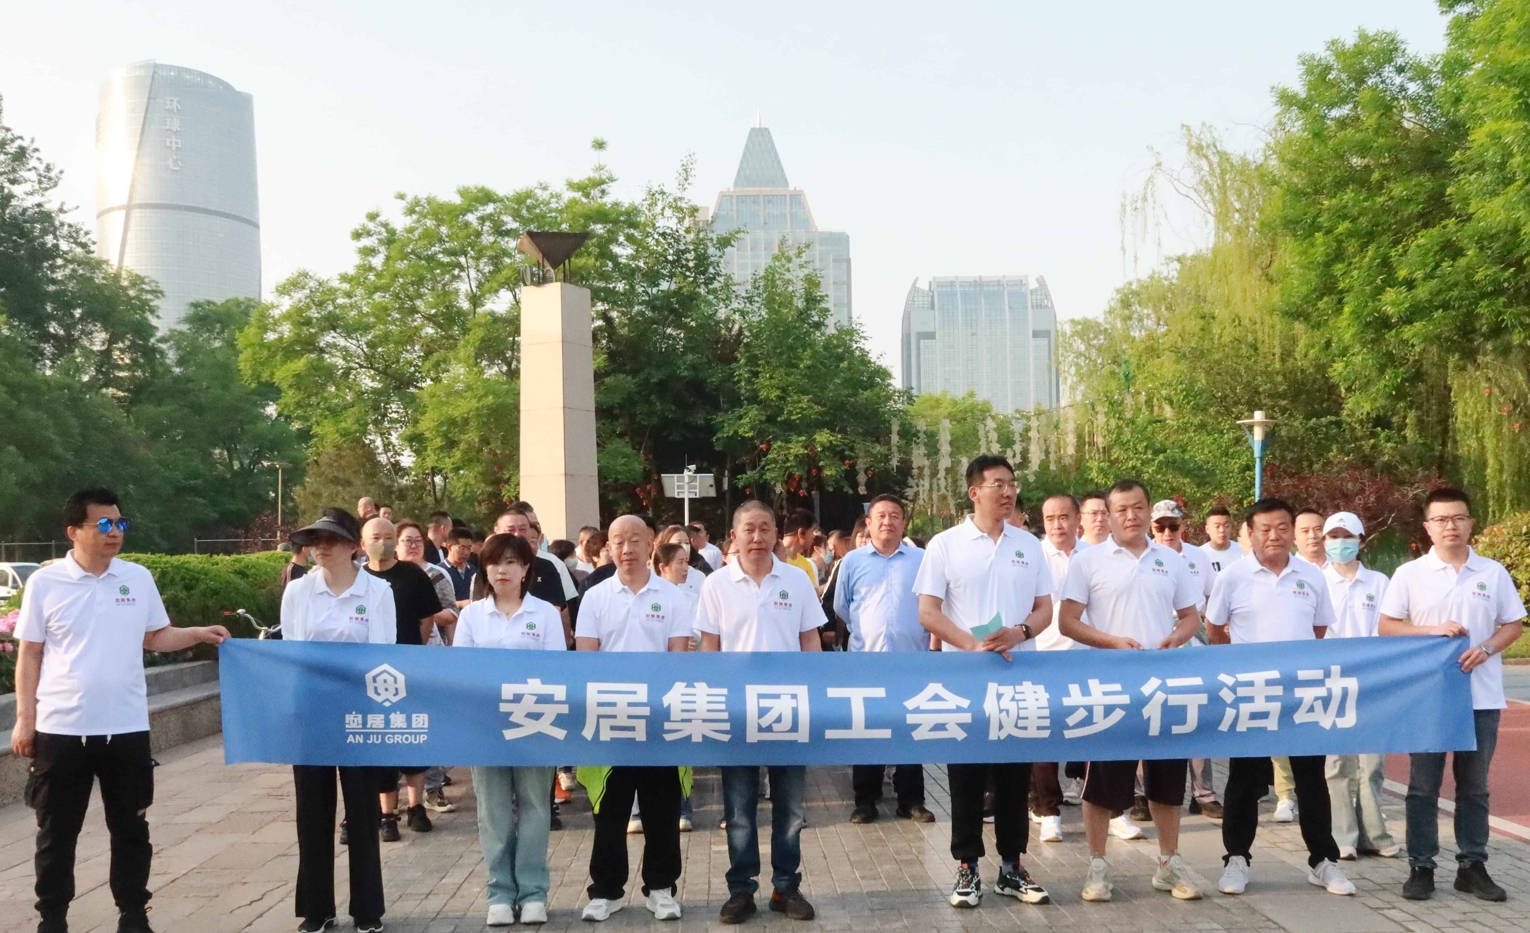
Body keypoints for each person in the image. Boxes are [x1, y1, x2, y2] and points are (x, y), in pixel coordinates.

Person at [11, 487, 232, 933]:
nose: (115, 532)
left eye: (120, 523)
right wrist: (25, 719)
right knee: (57, 832)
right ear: (74, 531)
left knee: (131, 829)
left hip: (126, 728)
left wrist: (196, 633)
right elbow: (30, 654)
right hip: (62, 729)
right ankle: (52, 918)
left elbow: (155, 636)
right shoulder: (46, 584)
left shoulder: (137, 578)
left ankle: (133, 914)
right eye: (104, 524)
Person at [914, 455, 1053, 909]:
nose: (1008, 492)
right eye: (998, 484)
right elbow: (928, 611)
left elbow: (1045, 609)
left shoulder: (1029, 544)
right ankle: (967, 868)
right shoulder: (945, 545)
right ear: (975, 492)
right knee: (966, 777)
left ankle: (1012, 867)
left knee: (1015, 777)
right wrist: (971, 645)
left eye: (1012, 484)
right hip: (964, 681)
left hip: (1018, 677)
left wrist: (1020, 632)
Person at [1057, 479, 1204, 903]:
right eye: (1121, 509)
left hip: (1163, 686)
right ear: (1107, 515)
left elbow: (1191, 616)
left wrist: (1178, 637)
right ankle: (1098, 867)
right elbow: (1068, 622)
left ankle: (1169, 863)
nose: (1131, 516)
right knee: (1103, 781)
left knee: (1167, 780)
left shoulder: (1170, 560)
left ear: (1148, 510)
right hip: (1110, 686)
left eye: (1138, 507)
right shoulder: (1088, 561)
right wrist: (1111, 642)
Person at [1380, 487, 1525, 902]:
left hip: (1480, 697)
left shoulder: (1491, 572)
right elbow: (1387, 626)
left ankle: (1472, 864)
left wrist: (1487, 648)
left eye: (1458, 518)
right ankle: (1421, 865)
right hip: (1427, 696)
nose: (1451, 526)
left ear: (1470, 523)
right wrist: (1432, 630)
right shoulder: (1410, 574)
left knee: (1474, 787)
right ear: (1427, 527)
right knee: (1423, 786)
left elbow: (1513, 624)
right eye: (1441, 519)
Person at [1206, 498, 1354, 898]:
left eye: (1283, 528)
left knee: (1311, 779)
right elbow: (1214, 629)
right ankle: (1237, 858)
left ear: (1293, 532)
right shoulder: (1233, 576)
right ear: (1250, 533)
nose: (1275, 535)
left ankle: (1323, 860)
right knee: (1243, 778)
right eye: (1265, 529)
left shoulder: (1312, 575)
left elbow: (1318, 629)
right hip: (1251, 692)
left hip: (1301, 693)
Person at [695, 501, 823, 924]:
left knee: (791, 809)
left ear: (775, 534)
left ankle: (786, 887)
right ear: (734, 536)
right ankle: (741, 890)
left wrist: (815, 697)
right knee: (739, 809)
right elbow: (709, 648)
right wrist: (713, 703)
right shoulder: (716, 584)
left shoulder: (797, 580)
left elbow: (810, 642)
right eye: (749, 529)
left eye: (765, 528)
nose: (757, 537)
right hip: (736, 712)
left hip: (789, 709)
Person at [279, 507, 394, 933]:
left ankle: (367, 909)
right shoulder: (298, 591)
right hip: (311, 712)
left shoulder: (378, 591)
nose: (321, 548)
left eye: (331, 540)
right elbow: (293, 650)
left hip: (361, 710)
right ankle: (317, 909)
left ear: (353, 546)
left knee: (363, 810)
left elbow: (383, 652)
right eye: (315, 541)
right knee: (312, 810)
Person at [574, 516, 692, 922]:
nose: (626, 549)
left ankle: (661, 889)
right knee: (610, 812)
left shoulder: (673, 597)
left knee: (662, 811)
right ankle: (606, 891)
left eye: (635, 540)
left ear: (650, 543)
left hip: (659, 720)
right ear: (607, 547)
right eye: (618, 541)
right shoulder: (595, 597)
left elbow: (678, 658)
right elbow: (587, 659)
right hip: (611, 718)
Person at [454, 533, 562, 926]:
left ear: (526, 569)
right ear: (485, 569)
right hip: (486, 727)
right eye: (495, 562)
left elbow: (555, 670)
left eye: (512, 562)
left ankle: (533, 892)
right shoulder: (472, 616)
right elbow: (463, 673)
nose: (503, 569)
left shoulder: (545, 614)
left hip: (535, 723)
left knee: (535, 807)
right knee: (493, 811)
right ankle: (500, 892)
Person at [833, 495, 932, 824]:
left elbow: (932, 605)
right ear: (869, 523)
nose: (887, 521)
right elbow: (842, 606)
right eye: (881, 516)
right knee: (867, 730)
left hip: (911, 661)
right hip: (867, 662)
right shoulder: (852, 561)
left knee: (911, 729)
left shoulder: (921, 560)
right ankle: (865, 801)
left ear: (904, 523)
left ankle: (911, 800)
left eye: (894, 516)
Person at [360, 517, 450, 840]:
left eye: (388, 536)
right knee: (380, 742)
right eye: (375, 537)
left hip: (408, 669)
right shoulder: (358, 580)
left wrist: (413, 652)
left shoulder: (413, 575)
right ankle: (387, 813)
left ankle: (416, 807)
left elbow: (427, 618)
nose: (382, 542)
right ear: (362, 544)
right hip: (369, 674)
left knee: (412, 736)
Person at [1319, 511, 1398, 861]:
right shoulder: (1317, 581)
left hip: (1372, 682)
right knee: (1338, 763)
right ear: (1324, 542)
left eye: (1347, 536)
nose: (1340, 543)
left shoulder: (1379, 583)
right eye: (1333, 537)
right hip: (1332, 681)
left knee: (1372, 763)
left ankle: (1375, 834)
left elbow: (1388, 628)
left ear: (1361, 541)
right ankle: (1343, 835)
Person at [1148, 500, 1225, 822]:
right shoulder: (1143, 557)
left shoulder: (1199, 557)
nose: (1167, 532)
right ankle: (1142, 793)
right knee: (1150, 717)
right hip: (1154, 646)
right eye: (1160, 526)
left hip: (1192, 646)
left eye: (1173, 526)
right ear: (1152, 528)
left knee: (1196, 716)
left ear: (1183, 526)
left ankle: (1203, 793)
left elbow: (1209, 599)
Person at [1030, 493, 1087, 843]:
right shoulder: (1033, 557)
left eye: (1064, 517)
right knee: (1045, 739)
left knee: (1095, 734)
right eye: (1050, 519)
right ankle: (1049, 810)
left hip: (1088, 658)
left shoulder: (1094, 556)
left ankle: (1112, 810)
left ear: (1078, 518)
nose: (1057, 525)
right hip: (1043, 658)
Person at [493, 507, 573, 644]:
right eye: (511, 530)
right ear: (497, 532)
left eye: (523, 529)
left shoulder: (546, 567)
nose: (517, 535)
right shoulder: (486, 569)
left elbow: (556, 610)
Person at [777, 509, 821, 591]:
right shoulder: (772, 559)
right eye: (812, 531)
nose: (814, 536)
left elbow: (811, 594)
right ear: (800, 533)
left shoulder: (807, 565)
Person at [443, 527, 476, 607]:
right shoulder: (439, 571)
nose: (466, 552)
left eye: (469, 548)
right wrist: (461, 604)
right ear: (449, 547)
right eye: (462, 548)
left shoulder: (473, 570)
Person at [1202, 506, 1238, 572]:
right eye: (1217, 526)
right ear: (1207, 529)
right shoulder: (1200, 554)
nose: (1222, 530)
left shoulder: (1242, 551)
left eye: (1226, 526)